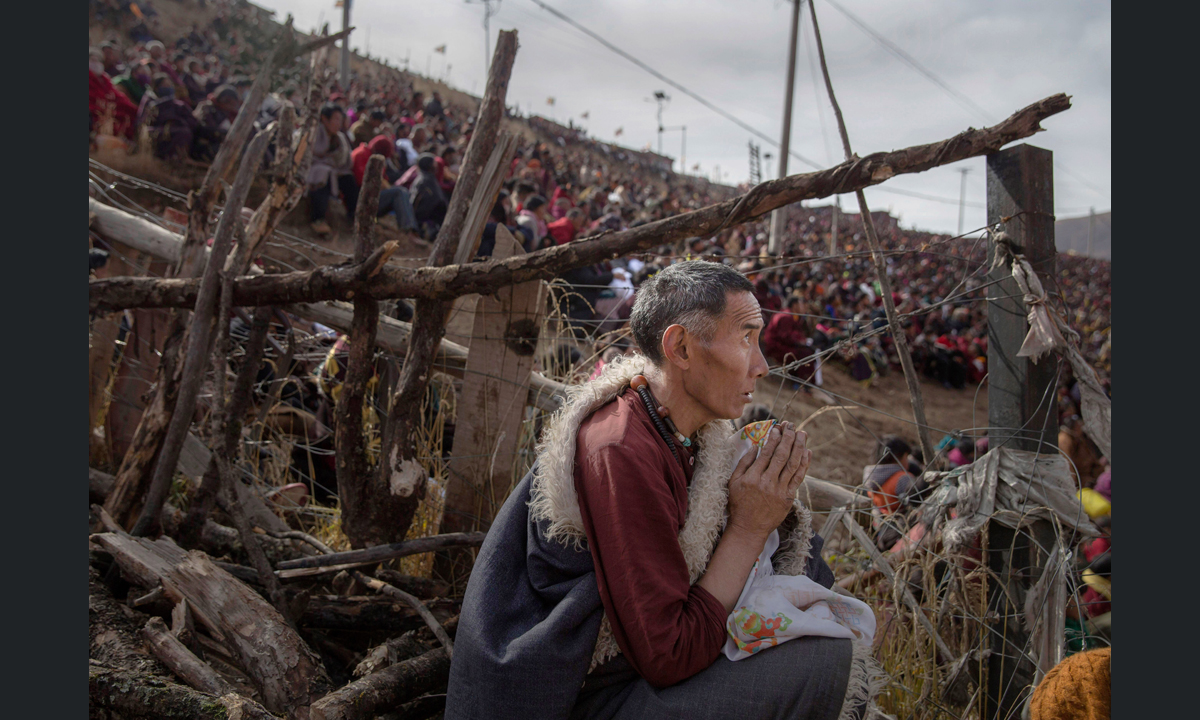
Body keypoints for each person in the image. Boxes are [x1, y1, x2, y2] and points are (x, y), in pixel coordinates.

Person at [447, 261, 872, 720]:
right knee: (823, 664)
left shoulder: (680, 429)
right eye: (745, 338)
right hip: (573, 690)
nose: (762, 364)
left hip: (633, 667)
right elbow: (669, 654)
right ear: (681, 348)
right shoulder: (621, 449)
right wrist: (749, 528)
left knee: (811, 576)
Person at [307, 103, 358, 236]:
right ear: (325, 119)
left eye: (340, 120)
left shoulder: (340, 138)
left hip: (334, 170)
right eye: (336, 119)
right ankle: (318, 219)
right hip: (312, 170)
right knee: (322, 173)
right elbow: (307, 157)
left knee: (348, 178)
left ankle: (354, 217)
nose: (338, 123)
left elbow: (345, 161)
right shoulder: (313, 133)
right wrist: (326, 164)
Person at [350, 135, 418, 232]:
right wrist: (383, 185)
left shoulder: (370, 154)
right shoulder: (362, 155)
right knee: (399, 193)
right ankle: (408, 229)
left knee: (402, 192)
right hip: (362, 199)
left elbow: (383, 178)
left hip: (370, 195)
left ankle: (411, 229)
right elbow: (363, 181)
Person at [762, 295, 816, 385]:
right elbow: (784, 337)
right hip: (775, 347)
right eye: (801, 304)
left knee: (809, 351)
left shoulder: (792, 316)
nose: (803, 307)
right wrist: (800, 343)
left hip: (783, 344)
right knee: (805, 354)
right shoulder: (786, 316)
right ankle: (801, 384)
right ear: (794, 305)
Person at [143, 74, 198, 161]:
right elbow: (145, 122)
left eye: (170, 85)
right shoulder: (151, 103)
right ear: (156, 88)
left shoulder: (179, 104)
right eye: (165, 85)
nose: (169, 87)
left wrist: (180, 122)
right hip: (159, 131)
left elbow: (192, 120)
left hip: (178, 128)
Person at [190, 85, 241, 162]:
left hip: (216, 143)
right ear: (223, 100)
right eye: (230, 103)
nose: (232, 106)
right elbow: (204, 129)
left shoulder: (228, 113)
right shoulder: (206, 108)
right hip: (203, 147)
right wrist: (224, 134)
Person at [410, 153, 448, 238]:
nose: (436, 166)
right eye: (434, 164)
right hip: (426, 221)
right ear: (429, 165)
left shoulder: (423, 178)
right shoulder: (427, 181)